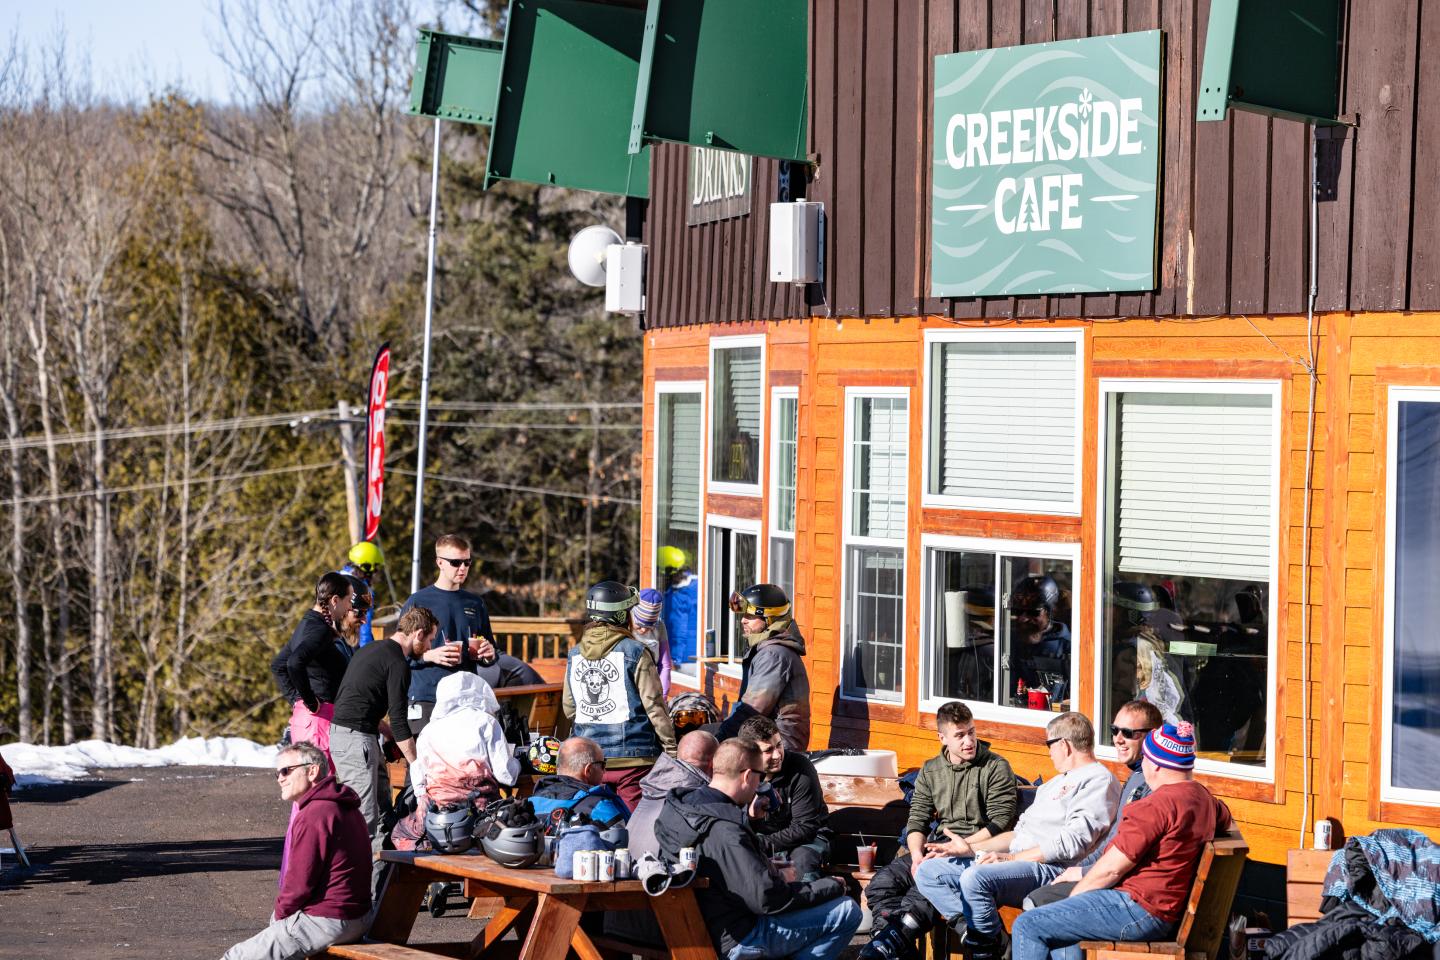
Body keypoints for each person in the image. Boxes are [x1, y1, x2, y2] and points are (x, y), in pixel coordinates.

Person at [1010, 723, 1232, 960]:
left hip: (1136, 909)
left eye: (1144, 758)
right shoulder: (1203, 798)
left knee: (1028, 925)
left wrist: (1073, 898)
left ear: (1155, 763)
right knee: (1060, 928)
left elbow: (1111, 870)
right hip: (1162, 909)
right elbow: (1226, 820)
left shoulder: (1154, 806)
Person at [914, 712, 1120, 960]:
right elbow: (1017, 834)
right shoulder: (1054, 784)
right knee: (928, 871)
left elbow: (1073, 842)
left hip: (1051, 869)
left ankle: (987, 951)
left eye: (1049, 745)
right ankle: (994, 942)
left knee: (975, 877)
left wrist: (1011, 860)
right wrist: (969, 847)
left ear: (1064, 745)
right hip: (1017, 862)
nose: (1049, 752)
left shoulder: (1098, 780)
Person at [654, 738, 863, 960]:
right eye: (760, 777)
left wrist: (764, 864)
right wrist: (830, 886)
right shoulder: (727, 829)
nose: (760, 784)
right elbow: (768, 900)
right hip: (737, 938)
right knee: (847, 911)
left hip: (693, 928)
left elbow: (726, 868)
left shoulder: (680, 809)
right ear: (747, 776)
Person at [859, 701, 1018, 960]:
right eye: (960, 735)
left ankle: (890, 945)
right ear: (942, 737)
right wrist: (917, 856)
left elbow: (1000, 822)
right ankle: (895, 947)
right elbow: (917, 820)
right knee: (882, 884)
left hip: (979, 850)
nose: (969, 741)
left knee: (921, 893)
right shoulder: (931, 770)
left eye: (972, 732)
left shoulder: (995, 766)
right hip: (938, 847)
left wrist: (962, 847)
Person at [222, 742, 371, 960]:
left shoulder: (315, 813)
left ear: (312, 771)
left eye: (286, 771)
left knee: (236, 957)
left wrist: (279, 918)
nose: (280, 778)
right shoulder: (342, 806)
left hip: (327, 919)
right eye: (277, 773)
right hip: (358, 917)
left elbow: (298, 884)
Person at [328, 605, 437, 891]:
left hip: (355, 734)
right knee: (365, 822)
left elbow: (359, 698)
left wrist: (385, 732)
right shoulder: (398, 664)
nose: (428, 647)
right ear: (417, 634)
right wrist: (417, 765)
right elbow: (401, 722)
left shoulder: (373, 649)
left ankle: (378, 894)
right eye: (428, 640)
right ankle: (351, 896)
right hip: (356, 741)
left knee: (383, 816)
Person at [401, 534, 541, 738]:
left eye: (467, 562)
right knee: (423, 766)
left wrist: (489, 654)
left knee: (464, 766)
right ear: (440, 562)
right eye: (456, 562)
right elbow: (399, 653)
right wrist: (429, 656)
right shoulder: (418, 600)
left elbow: (491, 652)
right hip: (427, 696)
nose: (463, 568)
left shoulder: (475, 603)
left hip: (465, 697)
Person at [1026, 700, 1164, 909]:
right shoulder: (1136, 777)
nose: (1118, 739)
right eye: (1115, 730)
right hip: (1104, 874)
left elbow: (1126, 854)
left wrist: (1082, 873)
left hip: (1126, 891)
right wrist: (1080, 869)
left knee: (1036, 904)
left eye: (1128, 733)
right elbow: (1114, 841)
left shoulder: (1149, 783)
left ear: (1152, 736)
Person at [563, 581, 677, 809]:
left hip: (590, 761)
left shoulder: (574, 654)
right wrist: (671, 749)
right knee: (633, 828)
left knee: (597, 821)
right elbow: (654, 706)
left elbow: (570, 708)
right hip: (635, 760)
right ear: (621, 616)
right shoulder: (636, 652)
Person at [391, 670, 520, 851]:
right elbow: (507, 776)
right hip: (481, 818)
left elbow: (419, 780)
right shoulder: (486, 722)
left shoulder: (428, 730)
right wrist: (517, 761)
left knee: (398, 833)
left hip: (438, 823)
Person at [270, 572, 359, 759]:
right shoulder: (319, 630)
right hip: (319, 724)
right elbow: (293, 663)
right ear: (335, 600)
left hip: (308, 723)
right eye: (349, 600)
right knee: (322, 785)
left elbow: (278, 665)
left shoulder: (307, 624)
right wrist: (309, 701)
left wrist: (297, 700)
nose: (350, 607)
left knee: (312, 785)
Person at [715, 583, 811, 753]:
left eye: (750, 616)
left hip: (778, 746)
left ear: (770, 619)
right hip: (765, 736)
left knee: (705, 744)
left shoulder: (774, 655)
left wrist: (719, 739)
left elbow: (752, 710)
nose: (743, 619)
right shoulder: (767, 649)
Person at [738, 714, 833, 881]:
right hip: (762, 839)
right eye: (768, 750)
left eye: (779, 745)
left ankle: (807, 904)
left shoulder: (800, 768)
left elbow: (805, 827)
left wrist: (760, 844)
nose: (777, 755)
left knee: (803, 861)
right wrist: (751, 818)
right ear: (749, 754)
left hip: (809, 838)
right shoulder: (740, 772)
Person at [627, 730, 718, 859]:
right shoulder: (698, 800)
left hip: (632, 869)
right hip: (662, 876)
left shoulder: (653, 791)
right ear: (713, 763)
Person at [527, 736, 631, 827]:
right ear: (588, 770)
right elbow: (629, 841)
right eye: (603, 765)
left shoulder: (530, 803)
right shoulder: (602, 807)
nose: (604, 770)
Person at [1006, 575, 1070, 708]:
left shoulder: (1067, 647)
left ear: (1051, 612)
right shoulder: (1007, 641)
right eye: (1017, 612)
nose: (1023, 619)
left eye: (1033, 613)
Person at [659, 546, 699, 676]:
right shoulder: (699, 585)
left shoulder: (676, 596)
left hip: (684, 659)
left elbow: (679, 629)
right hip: (692, 656)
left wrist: (674, 658)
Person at [631, 588, 673, 696]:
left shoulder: (659, 626)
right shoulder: (624, 624)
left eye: (649, 627)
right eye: (639, 625)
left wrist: (662, 696)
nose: (644, 630)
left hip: (650, 687)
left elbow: (665, 665)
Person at [340, 541, 383, 647]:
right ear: (367, 567)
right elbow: (365, 629)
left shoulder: (332, 579)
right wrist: (368, 653)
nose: (376, 573)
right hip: (350, 644)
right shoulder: (364, 591)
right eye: (375, 568)